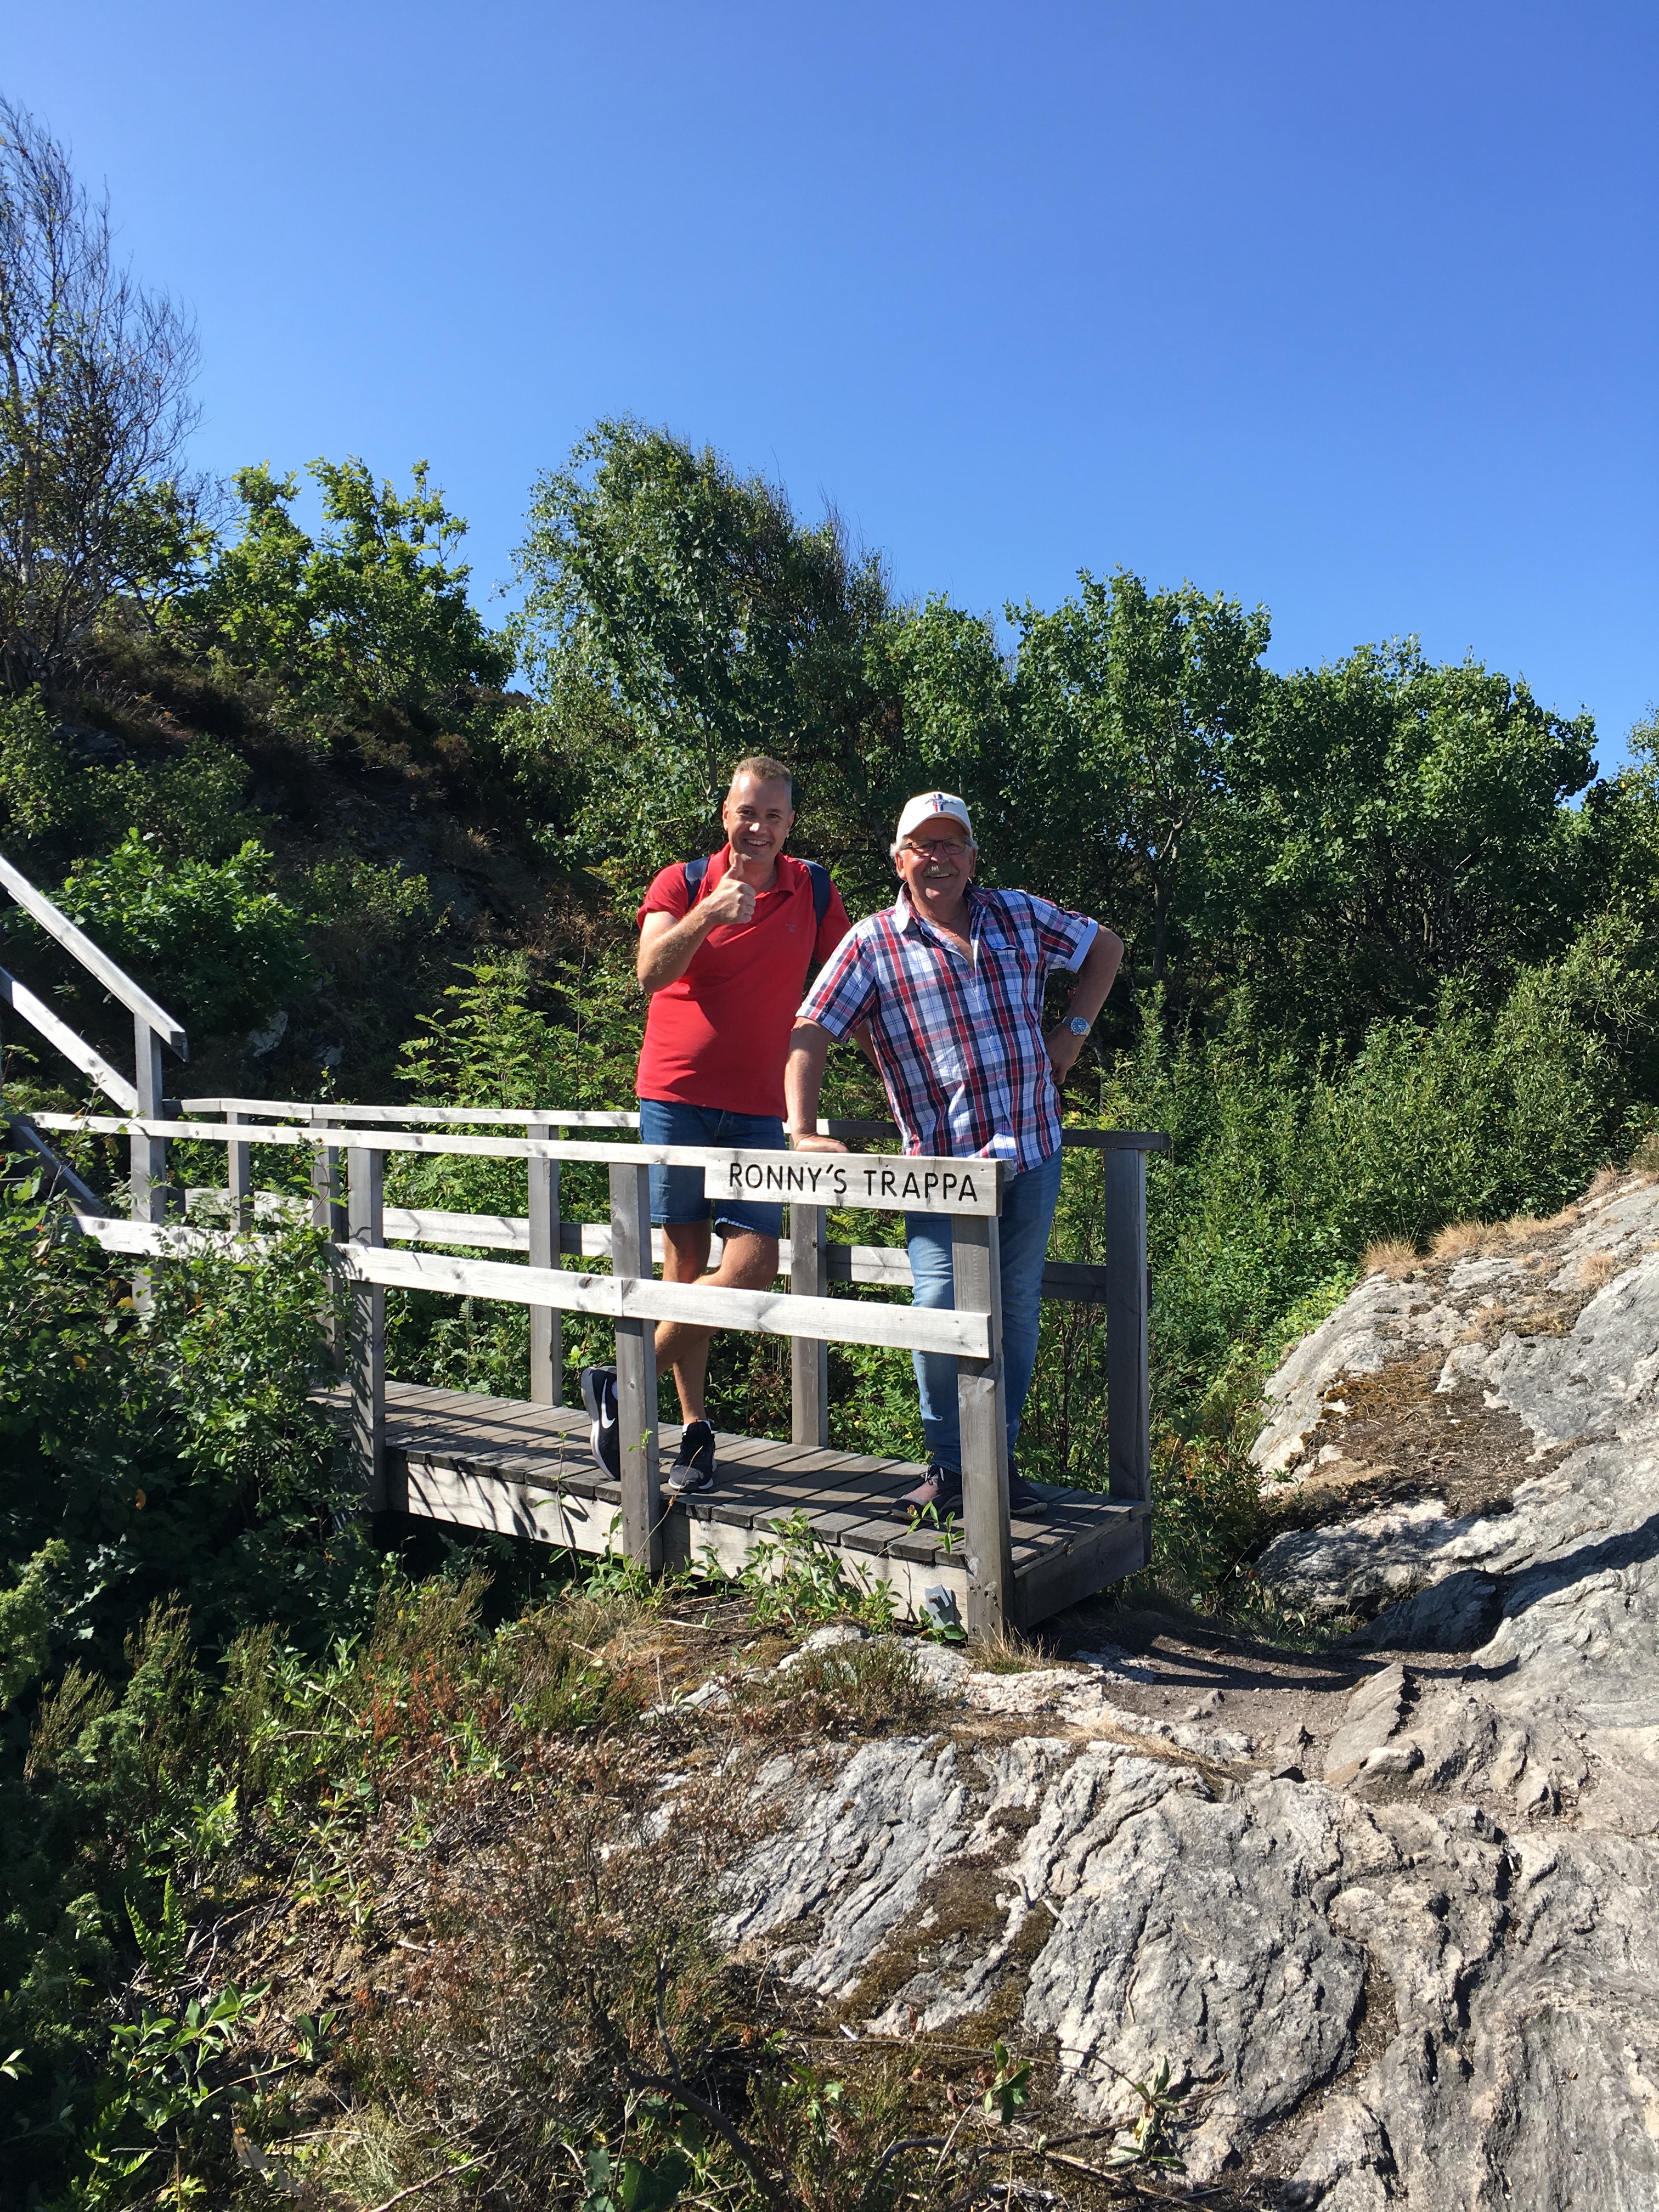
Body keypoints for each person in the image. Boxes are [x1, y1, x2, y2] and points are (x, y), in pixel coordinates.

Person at [785, 789, 1122, 1514]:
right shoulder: (872, 943)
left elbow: (1107, 948)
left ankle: (996, 1462)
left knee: (1017, 1308)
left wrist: (1072, 1033)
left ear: (971, 856)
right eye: (922, 846)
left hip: (1031, 1147)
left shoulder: (1018, 914)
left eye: (950, 845)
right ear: (899, 860)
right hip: (940, 1168)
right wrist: (802, 1129)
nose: (937, 858)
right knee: (938, 1306)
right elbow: (810, 1030)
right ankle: (951, 1466)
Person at [580, 757, 851, 1493]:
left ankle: (622, 1380)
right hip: (676, 1096)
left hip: (761, 1108)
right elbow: (650, 973)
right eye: (747, 812)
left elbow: (853, 979)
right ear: (725, 814)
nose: (758, 827)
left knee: (754, 1262)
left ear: (790, 824)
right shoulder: (681, 882)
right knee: (683, 1269)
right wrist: (706, 915)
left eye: (773, 815)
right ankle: (694, 1434)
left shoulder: (812, 888)